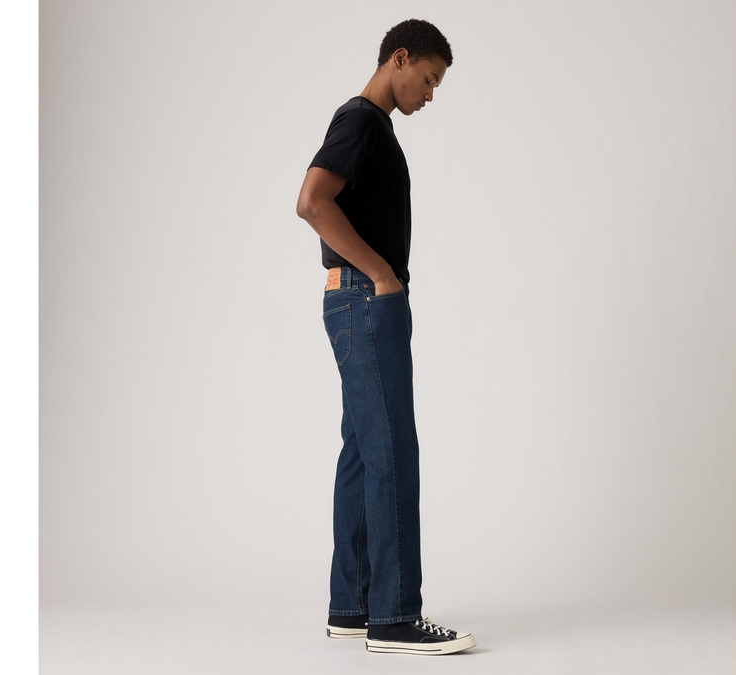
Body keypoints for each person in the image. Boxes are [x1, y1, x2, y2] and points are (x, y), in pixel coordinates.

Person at [295, 19, 475, 656]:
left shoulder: (370, 126)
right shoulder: (362, 122)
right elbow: (311, 201)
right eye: (428, 78)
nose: (430, 94)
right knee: (392, 449)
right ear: (399, 58)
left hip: (354, 299)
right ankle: (395, 616)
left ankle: (352, 605)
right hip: (367, 300)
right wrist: (380, 274)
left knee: (362, 450)